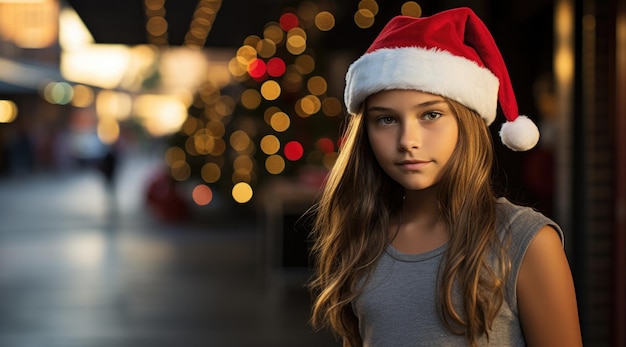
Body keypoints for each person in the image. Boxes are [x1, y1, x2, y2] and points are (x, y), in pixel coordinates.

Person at [308, 7, 581, 347]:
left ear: (465, 124)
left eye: (431, 114)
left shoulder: (526, 242)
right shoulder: (363, 237)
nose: (408, 140)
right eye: (386, 120)